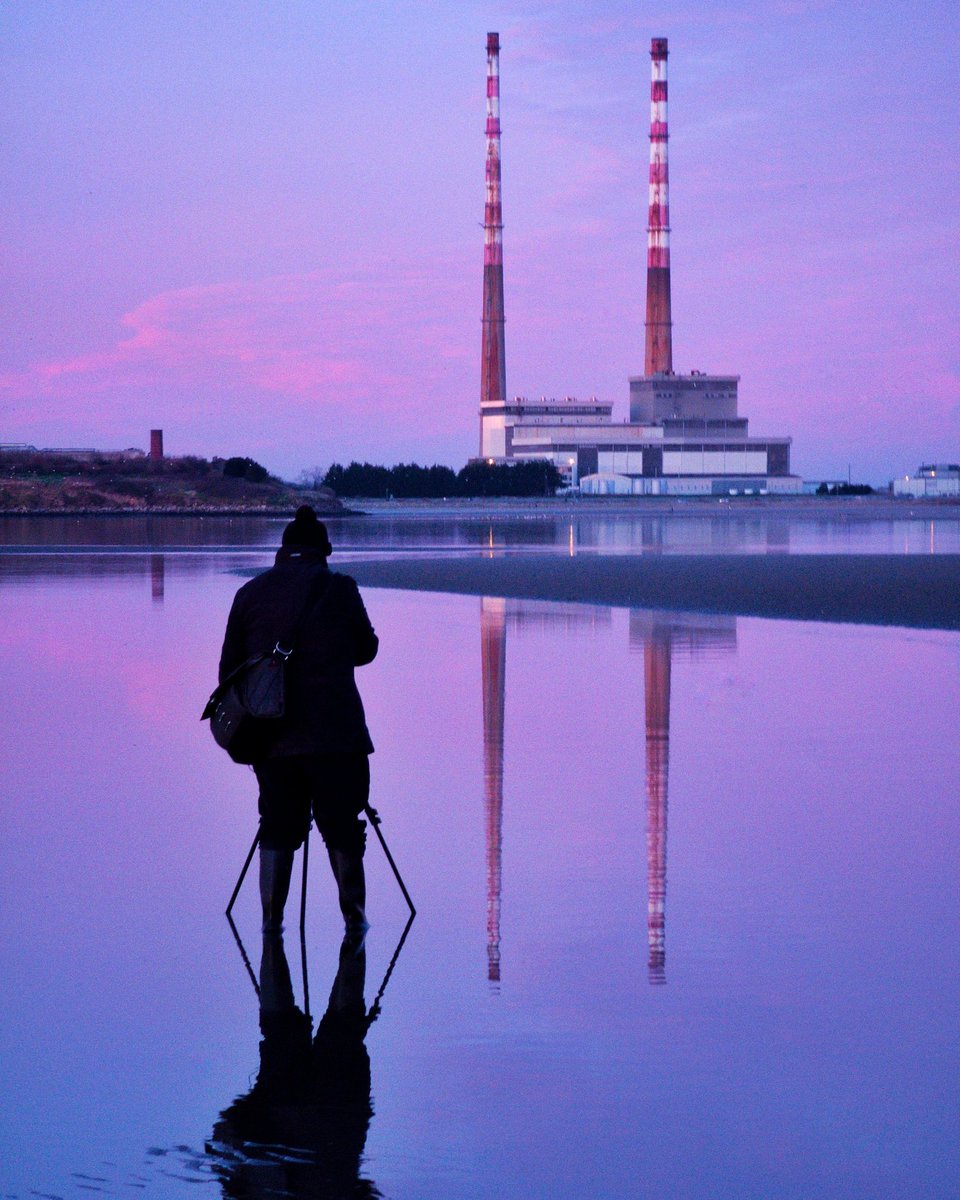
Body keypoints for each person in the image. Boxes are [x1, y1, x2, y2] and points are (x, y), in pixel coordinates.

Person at [219, 505, 379, 933]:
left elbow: (227, 675)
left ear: (283, 550)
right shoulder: (340, 589)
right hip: (338, 739)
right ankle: (355, 929)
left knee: (276, 828)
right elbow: (367, 651)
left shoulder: (249, 594)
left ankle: (271, 930)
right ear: (323, 552)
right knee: (343, 830)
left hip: (273, 741)